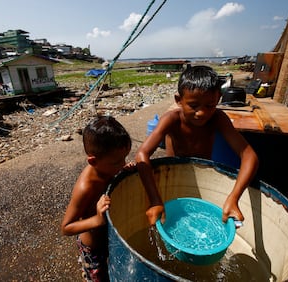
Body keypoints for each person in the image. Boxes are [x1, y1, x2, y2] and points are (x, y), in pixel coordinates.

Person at [135, 65, 259, 226]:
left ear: (218, 99)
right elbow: (142, 154)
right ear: (179, 100)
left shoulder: (218, 118)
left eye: (209, 106)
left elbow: (249, 155)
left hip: (203, 177)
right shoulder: (171, 119)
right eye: (193, 106)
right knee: (174, 217)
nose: (201, 113)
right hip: (174, 176)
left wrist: (233, 197)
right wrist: (154, 199)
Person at [61, 115, 132, 282]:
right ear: (93, 161)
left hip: (108, 238)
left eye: (125, 158)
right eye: (116, 162)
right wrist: (98, 219)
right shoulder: (86, 187)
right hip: (93, 248)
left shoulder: (109, 168)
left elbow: (116, 169)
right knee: (98, 277)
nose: (122, 164)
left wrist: (123, 170)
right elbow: (66, 228)